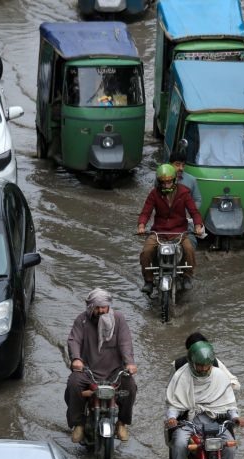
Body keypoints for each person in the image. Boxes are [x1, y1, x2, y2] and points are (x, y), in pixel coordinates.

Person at [165, 341, 244, 459]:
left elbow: (229, 403)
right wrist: (172, 418)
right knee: (179, 443)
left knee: (230, 446)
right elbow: (174, 404)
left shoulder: (220, 376)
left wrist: (235, 418)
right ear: (191, 363)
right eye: (199, 365)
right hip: (189, 422)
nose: (203, 369)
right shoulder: (181, 376)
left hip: (215, 422)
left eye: (206, 366)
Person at [64, 288, 138, 443]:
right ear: (91, 307)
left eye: (104, 307)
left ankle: (122, 423)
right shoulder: (82, 320)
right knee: (73, 384)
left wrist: (129, 363)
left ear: (108, 306)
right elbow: (74, 340)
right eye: (97, 307)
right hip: (87, 370)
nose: (101, 311)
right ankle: (79, 424)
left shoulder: (118, 319)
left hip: (114, 371)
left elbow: (125, 342)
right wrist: (76, 359)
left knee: (130, 386)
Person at [138, 164, 204, 294]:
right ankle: (149, 281)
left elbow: (194, 212)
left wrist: (197, 226)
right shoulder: (154, 194)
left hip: (179, 232)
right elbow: (146, 212)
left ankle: (187, 276)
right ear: (159, 182)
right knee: (146, 252)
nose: (166, 185)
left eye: (169, 182)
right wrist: (141, 225)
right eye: (163, 182)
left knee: (189, 249)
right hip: (159, 232)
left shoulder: (184, 192)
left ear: (174, 180)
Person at [172, 332, 240, 391]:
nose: (204, 368)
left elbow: (235, 384)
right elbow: (170, 388)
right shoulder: (177, 365)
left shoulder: (214, 362)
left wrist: (223, 386)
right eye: (199, 365)